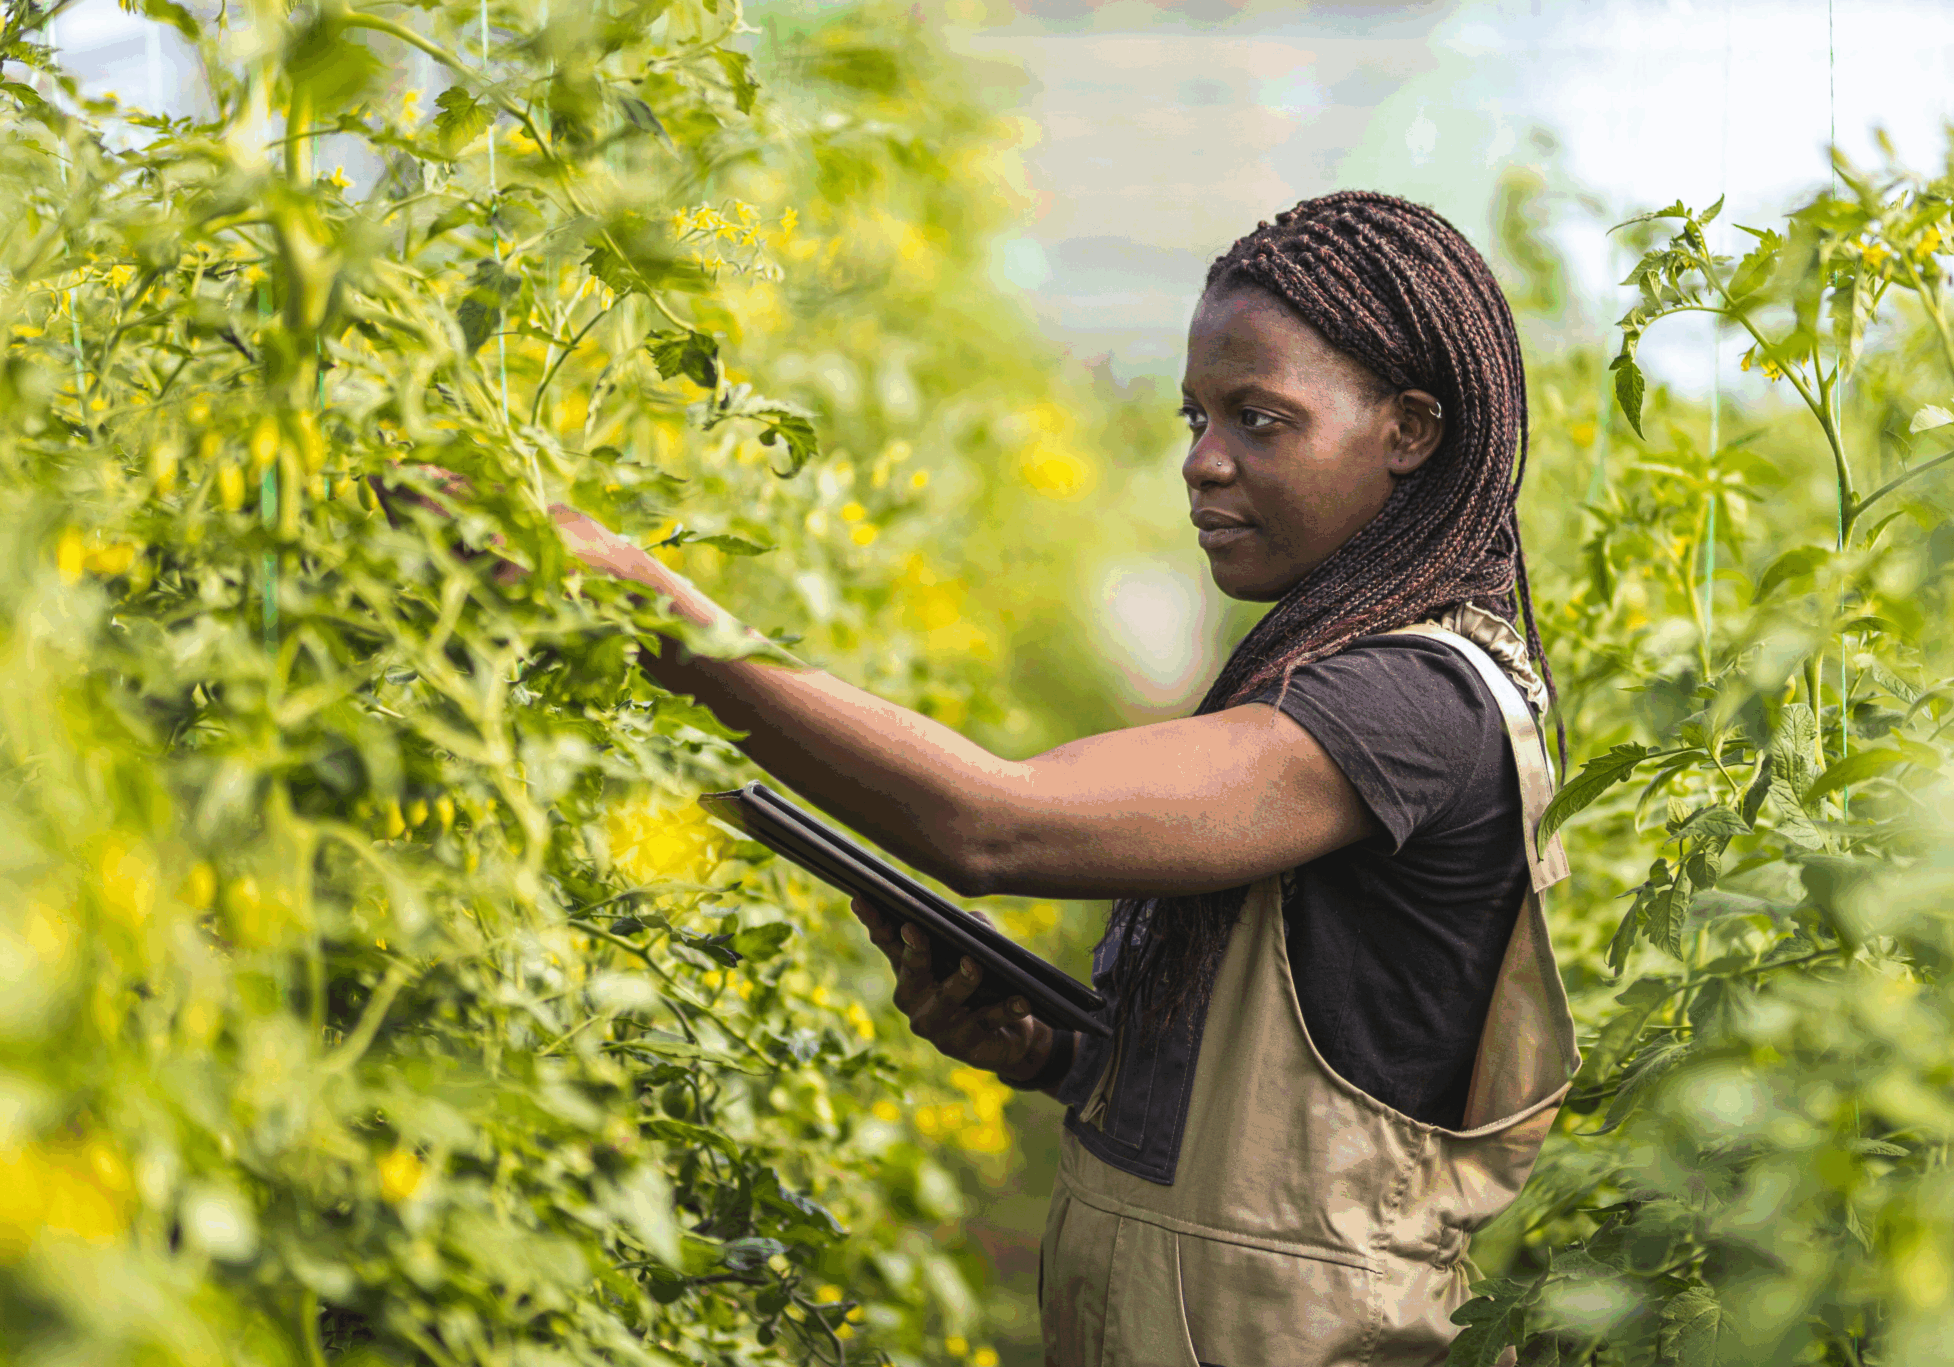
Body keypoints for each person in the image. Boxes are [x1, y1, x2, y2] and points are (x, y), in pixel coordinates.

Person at [554, 191, 1576, 1365]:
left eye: (1260, 418)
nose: (1202, 461)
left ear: (1408, 430)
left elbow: (992, 825)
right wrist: (1064, 1056)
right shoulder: (1339, 673)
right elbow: (1308, 1115)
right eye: (1196, 414)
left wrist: (656, 612)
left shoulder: (1411, 705)